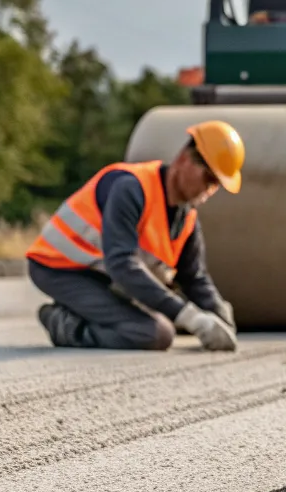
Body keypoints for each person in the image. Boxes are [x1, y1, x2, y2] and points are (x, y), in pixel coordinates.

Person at [26, 120, 245, 352]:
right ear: (184, 159)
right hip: (60, 269)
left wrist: (219, 314)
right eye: (209, 178)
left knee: (159, 325)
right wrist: (191, 317)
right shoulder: (131, 189)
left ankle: (85, 311)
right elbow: (122, 263)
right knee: (154, 334)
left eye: (217, 184)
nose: (209, 190)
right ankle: (63, 324)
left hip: (102, 277)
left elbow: (193, 277)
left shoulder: (186, 220)